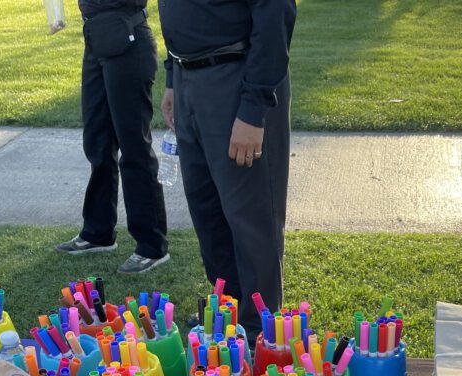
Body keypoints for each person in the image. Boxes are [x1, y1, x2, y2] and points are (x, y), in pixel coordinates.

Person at [157, 0, 297, 338]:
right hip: (189, 79)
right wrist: (174, 77)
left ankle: (256, 331)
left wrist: (253, 110)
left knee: (250, 219)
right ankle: (228, 313)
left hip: (235, 80)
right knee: (209, 215)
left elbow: (274, 13)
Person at [55, 0, 170, 275]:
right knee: (98, 141)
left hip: (128, 40)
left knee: (133, 148)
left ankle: (151, 245)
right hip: (96, 41)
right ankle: (98, 232)